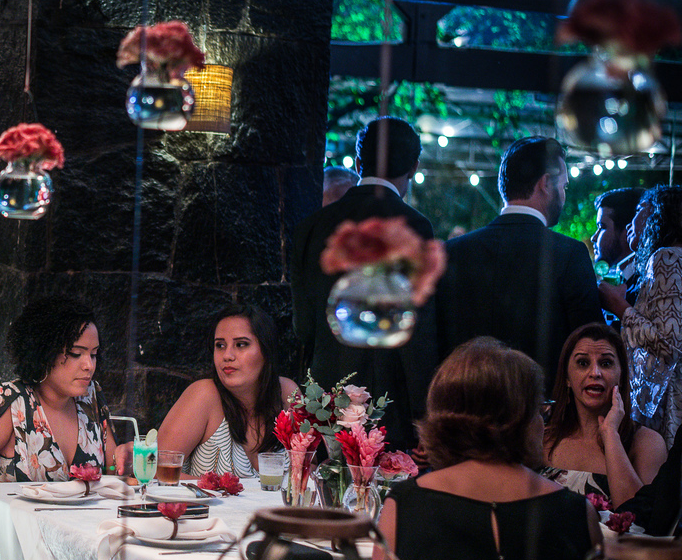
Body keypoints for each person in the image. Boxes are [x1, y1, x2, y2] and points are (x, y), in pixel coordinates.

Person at [372, 337, 600, 560]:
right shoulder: (576, 511)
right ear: (517, 418)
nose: (541, 424)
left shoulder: (405, 504)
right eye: (537, 410)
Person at [291, 116, 437, 451]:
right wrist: (422, 414)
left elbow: (303, 328)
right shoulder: (415, 227)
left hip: (323, 395)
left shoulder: (311, 226)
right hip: (389, 402)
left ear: (359, 162)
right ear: (414, 167)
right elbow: (418, 337)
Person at [437, 136, 603, 388]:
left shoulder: (452, 252)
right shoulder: (569, 254)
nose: (564, 194)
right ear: (546, 183)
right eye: (564, 186)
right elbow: (590, 344)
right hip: (541, 413)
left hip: (463, 407)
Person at [0, 297, 117, 499]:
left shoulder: (91, 397)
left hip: (82, 528)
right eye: (76, 353)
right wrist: (25, 502)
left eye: (94, 354)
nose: (89, 365)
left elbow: (113, 469)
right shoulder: (10, 401)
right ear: (45, 352)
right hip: (16, 528)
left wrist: (126, 459)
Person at [157, 304, 298, 477]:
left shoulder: (287, 393)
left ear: (266, 350)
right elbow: (156, 471)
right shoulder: (204, 395)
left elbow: (308, 467)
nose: (227, 355)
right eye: (220, 345)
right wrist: (219, 491)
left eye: (241, 344)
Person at [542, 323, 666, 506]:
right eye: (583, 363)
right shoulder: (542, 438)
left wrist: (610, 435)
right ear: (567, 378)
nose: (595, 373)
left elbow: (640, 521)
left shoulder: (648, 443)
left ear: (621, 375)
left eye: (606, 363)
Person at [598, 185, 682, 448]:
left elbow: (669, 343)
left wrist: (619, 307)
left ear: (658, 214)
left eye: (639, 211)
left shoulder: (666, 257)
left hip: (665, 407)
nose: (632, 223)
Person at [592, 187, 643, 275]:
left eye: (602, 227)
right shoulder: (621, 280)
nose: (594, 238)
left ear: (629, 230)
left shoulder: (645, 284)